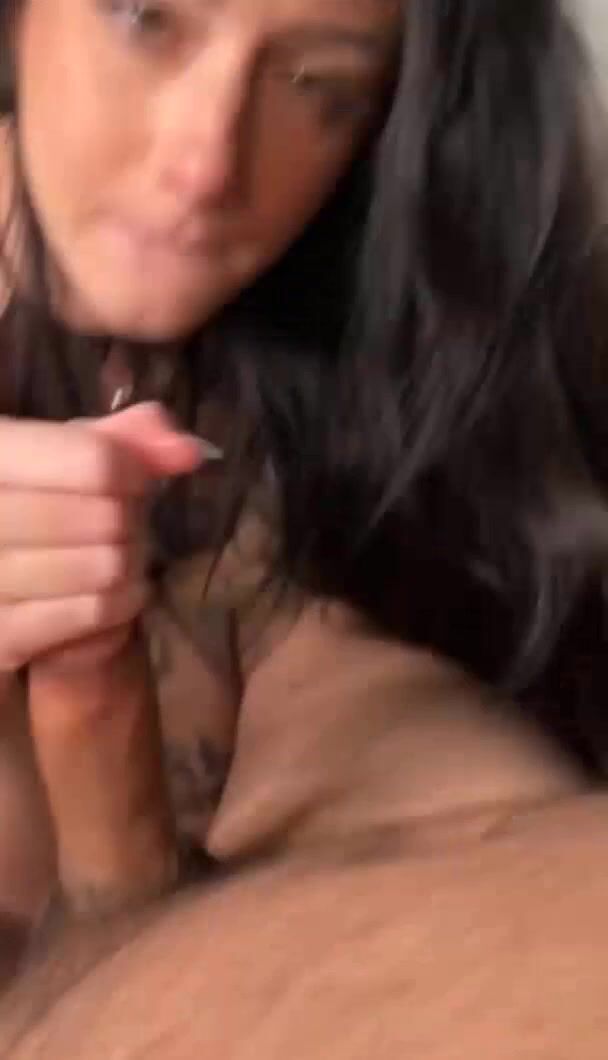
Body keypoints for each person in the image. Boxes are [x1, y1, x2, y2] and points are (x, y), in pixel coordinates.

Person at [1, 0, 608, 1051]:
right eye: (144, 19)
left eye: (315, 83)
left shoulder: (351, 412)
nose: (204, 162)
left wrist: (98, 738)